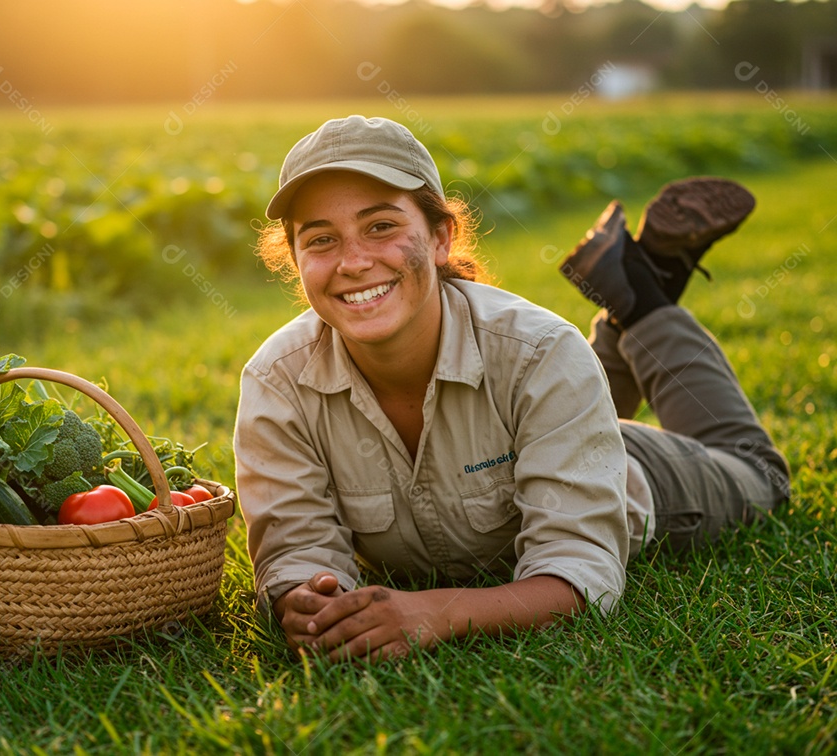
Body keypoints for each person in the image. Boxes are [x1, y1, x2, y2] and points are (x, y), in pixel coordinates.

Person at [232, 115, 790, 664]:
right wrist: (304, 598)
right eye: (321, 239)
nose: (353, 262)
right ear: (296, 260)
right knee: (547, 391)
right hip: (546, 433)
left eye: (381, 227)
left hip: (637, 475)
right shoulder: (276, 382)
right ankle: (631, 290)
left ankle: (643, 298)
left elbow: (580, 572)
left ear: (440, 238)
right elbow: (296, 551)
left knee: (761, 474)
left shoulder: (541, 350)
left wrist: (434, 612)